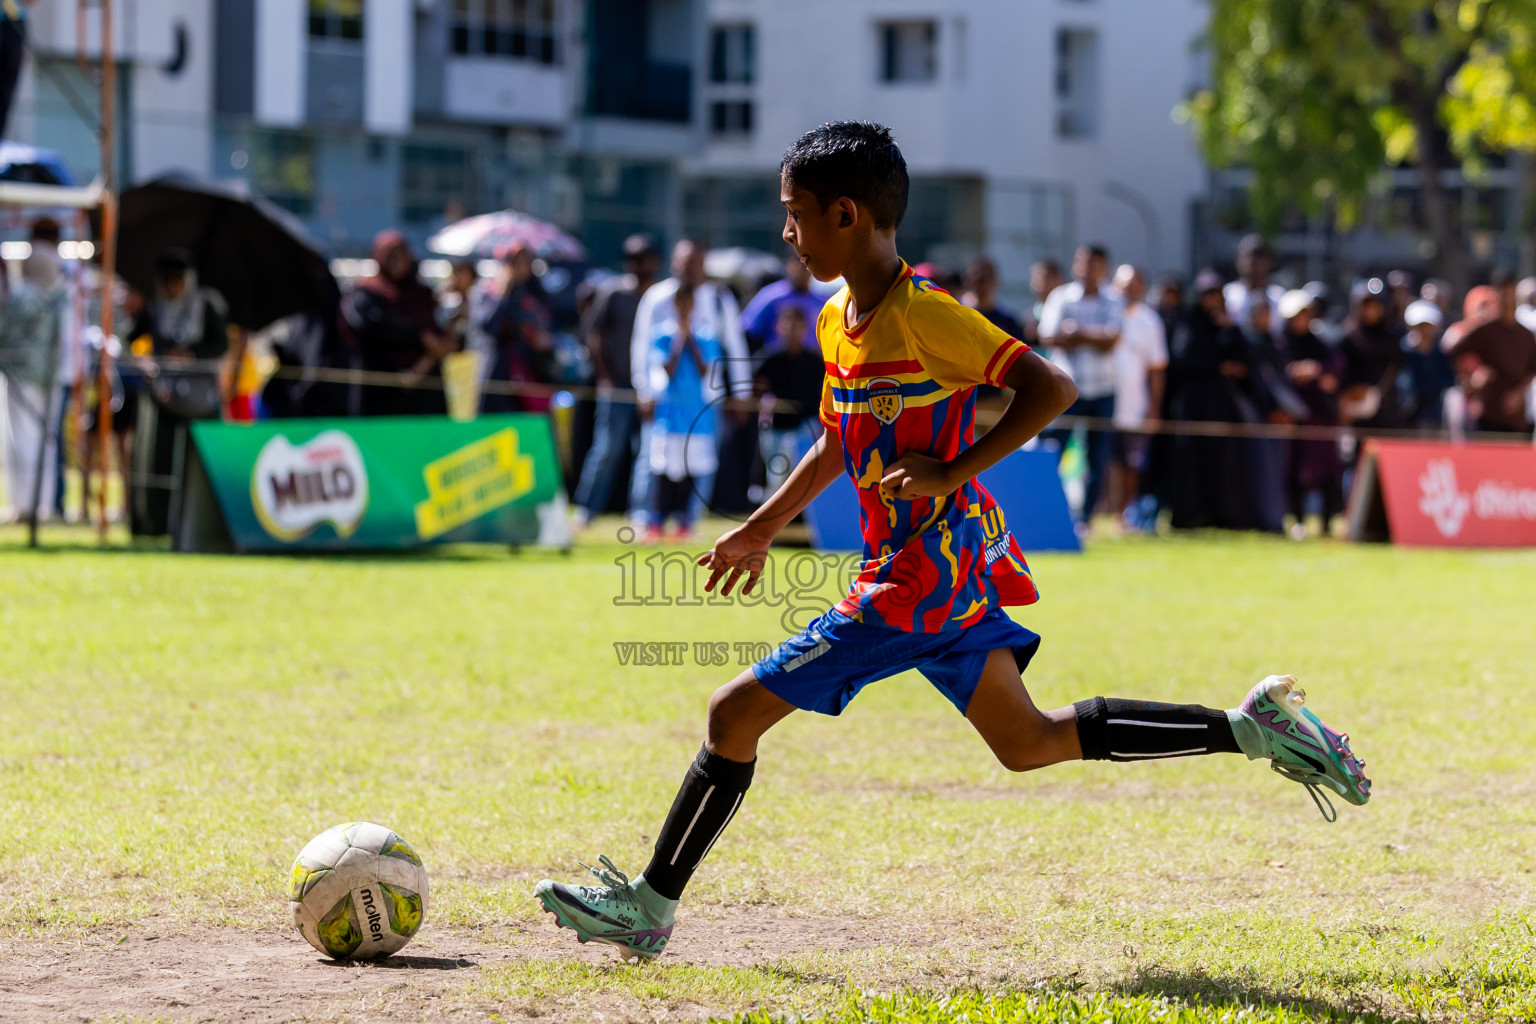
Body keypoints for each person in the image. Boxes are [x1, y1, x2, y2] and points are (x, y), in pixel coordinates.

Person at [532, 121, 1370, 962]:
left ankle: (650, 904)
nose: (786, 232)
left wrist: (950, 469)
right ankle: (1254, 726)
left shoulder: (928, 316)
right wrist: (758, 529)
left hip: (919, 576)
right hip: (944, 568)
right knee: (1029, 741)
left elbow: (1053, 387)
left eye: (795, 214)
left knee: (732, 713)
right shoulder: (836, 319)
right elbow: (835, 439)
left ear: (847, 215)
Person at [630, 240, 751, 528]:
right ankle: (645, 519)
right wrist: (643, 390)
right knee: (654, 459)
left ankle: (690, 522)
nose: (690, 269)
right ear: (674, 264)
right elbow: (641, 346)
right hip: (665, 400)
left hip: (705, 400)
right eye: (684, 263)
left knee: (701, 462)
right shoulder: (657, 298)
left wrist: (742, 393)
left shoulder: (719, 299)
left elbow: (735, 346)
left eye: (695, 263)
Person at [126, 250, 231, 534]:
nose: (173, 287)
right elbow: (131, 340)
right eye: (167, 280)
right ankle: (155, 521)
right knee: (157, 459)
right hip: (163, 398)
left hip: (200, 399)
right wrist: (144, 360)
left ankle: (205, 521)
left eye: (178, 280)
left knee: (200, 458)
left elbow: (220, 344)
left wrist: (191, 355)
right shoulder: (153, 308)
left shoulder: (204, 306)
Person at [573, 234, 660, 526]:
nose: (638, 265)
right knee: (607, 448)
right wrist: (604, 376)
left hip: (650, 386)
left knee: (648, 452)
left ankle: (641, 513)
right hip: (618, 384)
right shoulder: (613, 292)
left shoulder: (660, 296)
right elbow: (592, 334)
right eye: (633, 259)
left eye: (643, 258)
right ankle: (587, 509)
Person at [1039, 244, 1122, 526]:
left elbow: (1112, 340)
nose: (1088, 269)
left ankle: (1084, 520)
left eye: (1095, 264)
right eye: (1084, 263)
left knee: (1098, 458)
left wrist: (1077, 333)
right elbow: (1047, 336)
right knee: (1052, 451)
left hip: (1103, 389)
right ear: (1076, 265)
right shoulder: (1060, 297)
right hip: (1066, 389)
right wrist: (1092, 338)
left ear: (1104, 268)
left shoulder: (1114, 298)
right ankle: (1047, 514)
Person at [644, 283, 725, 542]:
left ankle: (684, 524)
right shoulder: (662, 336)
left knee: (691, 473)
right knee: (663, 472)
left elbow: (706, 371)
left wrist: (690, 339)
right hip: (669, 418)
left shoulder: (706, 337)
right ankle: (655, 523)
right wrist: (679, 340)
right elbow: (665, 370)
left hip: (696, 418)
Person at [342, 231, 453, 416]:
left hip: (424, 394)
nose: (397, 260)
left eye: (401, 254)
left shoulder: (421, 294)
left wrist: (422, 365)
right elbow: (370, 325)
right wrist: (419, 336)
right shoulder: (366, 292)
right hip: (380, 391)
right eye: (390, 255)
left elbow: (438, 337)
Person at [0, 241, 65, 522]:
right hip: (48, 376)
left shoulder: (25, 296)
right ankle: (42, 505)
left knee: (23, 439)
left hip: (21, 375)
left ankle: (27, 506)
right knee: (44, 442)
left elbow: (6, 332)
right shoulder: (56, 297)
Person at [1276, 289, 1345, 536]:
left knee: (1327, 471)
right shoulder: (1280, 344)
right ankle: (1296, 520)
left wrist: (1314, 372)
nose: (1301, 320)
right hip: (1292, 418)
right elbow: (1281, 375)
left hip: (1321, 418)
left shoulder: (1320, 344)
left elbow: (1334, 372)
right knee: (1294, 471)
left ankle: (1327, 523)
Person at [1108, 264, 1166, 529]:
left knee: (1131, 463)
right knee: (1104, 461)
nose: (1129, 290)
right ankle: (1103, 513)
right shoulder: (1106, 311)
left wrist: (1154, 408)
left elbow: (1157, 368)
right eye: (1124, 285)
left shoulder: (1150, 320)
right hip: (1104, 402)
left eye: (1134, 285)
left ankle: (1126, 515)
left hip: (1135, 405)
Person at [1448, 271, 1536, 435]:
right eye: (1502, 293)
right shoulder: (1485, 329)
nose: (1506, 299)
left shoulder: (1526, 335)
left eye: (1509, 294)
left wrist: (1519, 393)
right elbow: (1452, 350)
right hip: (1487, 415)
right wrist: (1470, 380)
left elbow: (1532, 368)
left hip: (1516, 418)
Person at [753, 304, 823, 500]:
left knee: (806, 477)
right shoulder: (770, 359)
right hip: (776, 426)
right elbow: (757, 391)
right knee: (776, 476)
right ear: (779, 326)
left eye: (797, 324)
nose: (792, 329)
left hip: (806, 425)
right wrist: (765, 404)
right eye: (788, 323)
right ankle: (769, 520)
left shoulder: (815, 361)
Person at [483, 244, 554, 414]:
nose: (521, 268)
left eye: (525, 262)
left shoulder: (535, 292)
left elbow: (547, 323)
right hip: (500, 371)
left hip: (531, 369)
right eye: (516, 263)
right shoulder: (490, 291)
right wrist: (504, 291)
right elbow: (488, 326)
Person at [1339, 278, 1409, 431]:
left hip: (1388, 413)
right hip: (1356, 415)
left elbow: (1398, 368)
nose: (1371, 311)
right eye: (1366, 306)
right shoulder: (1348, 338)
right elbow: (1340, 373)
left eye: (1375, 306)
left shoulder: (1392, 338)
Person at [738, 248, 826, 355]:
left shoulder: (823, 303)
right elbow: (746, 330)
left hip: (813, 367)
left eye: (808, 264)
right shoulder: (771, 297)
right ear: (788, 264)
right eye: (798, 262)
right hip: (777, 365)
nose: (803, 269)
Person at [1402, 299, 1454, 429]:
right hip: (1407, 416)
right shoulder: (1404, 353)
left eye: (1427, 326)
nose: (1424, 330)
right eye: (1420, 326)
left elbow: (1449, 380)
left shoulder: (1440, 355)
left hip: (1433, 414)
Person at [1223, 234, 1285, 325]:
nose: (1253, 260)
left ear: (1268, 261)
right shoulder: (1226, 295)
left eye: (1259, 255)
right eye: (1248, 255)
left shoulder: (1279, 297)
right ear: (1238, 260)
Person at [1024, 259, 1061, 346]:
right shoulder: (1028, 316)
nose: (1040, 282)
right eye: (1036, 277)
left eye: (1045, 277)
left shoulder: (1067, 312)